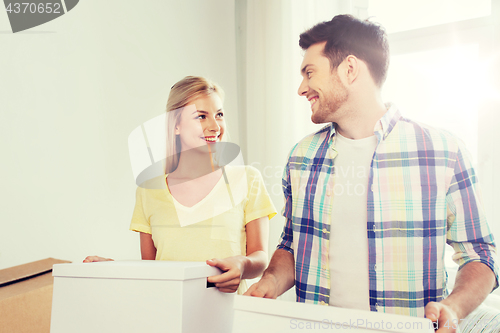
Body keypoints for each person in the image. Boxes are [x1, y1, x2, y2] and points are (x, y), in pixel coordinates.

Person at [244, 14, 498, 332]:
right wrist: (269, 282)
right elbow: (292, 246)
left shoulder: (443, 151)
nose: (301, 88)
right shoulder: (301, 156)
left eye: (310, 73)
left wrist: (453, 307)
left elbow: (479, 254)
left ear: (350, 69)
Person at [85, 76, 277, 294]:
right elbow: (150, 272)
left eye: (219, 115)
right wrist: (114, 269)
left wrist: (242, 266)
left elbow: (260, 257)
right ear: (176, 126)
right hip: (170, 318)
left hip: (230, 319)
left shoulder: (247, 179)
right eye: (201, 117)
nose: (215, 126)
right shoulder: (148, 191)